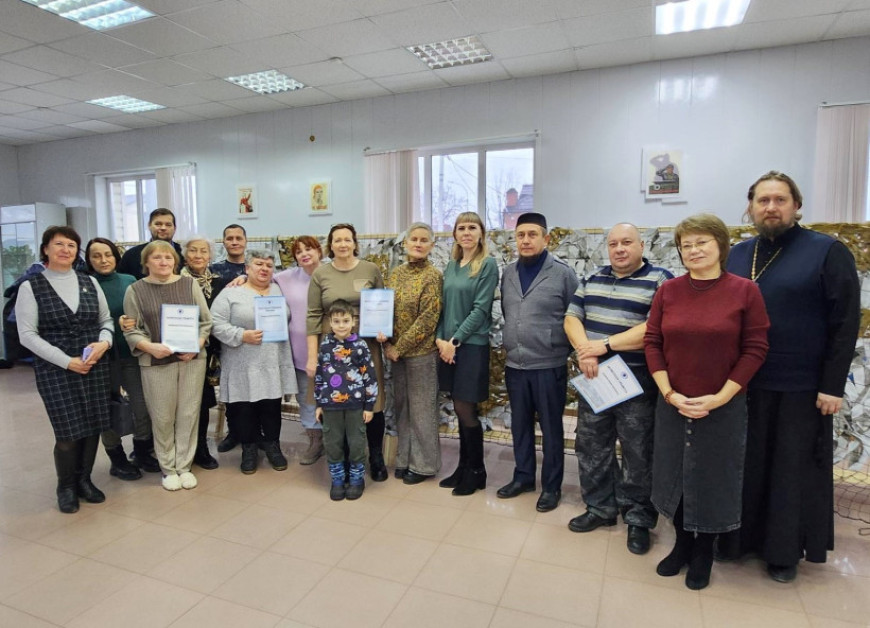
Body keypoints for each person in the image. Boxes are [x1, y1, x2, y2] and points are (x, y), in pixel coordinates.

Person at [721, 172, 861, 583]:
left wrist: (832, 385)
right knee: (746, 465)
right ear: (750, 207)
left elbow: (844, 323)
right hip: (742, 382)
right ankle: (738, 540)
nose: (771, 208)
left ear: (796, 205)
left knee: (788, 471)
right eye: (762, 200)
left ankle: (782, 553)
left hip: (800, 384)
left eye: (780, 200)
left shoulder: (826, 251)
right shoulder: (737, 254)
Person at [644, 213, 770, 590]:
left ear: (720, 246)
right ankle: (682, 544)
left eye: (702, 242)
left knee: (714, 477)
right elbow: (653, 342)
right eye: (686, 245)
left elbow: (755, 348)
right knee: (676, 474)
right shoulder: (668, 291)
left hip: (723, 406)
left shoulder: (745, 291)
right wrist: (669, 393)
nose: (694, 250)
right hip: (673, 403)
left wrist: (719, 398)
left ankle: (704, 552)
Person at [564, 223, 672, 554]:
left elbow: (654, 328)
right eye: (613, 244)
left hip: (637, 382)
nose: (620, 249)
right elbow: (572, 318)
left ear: (641, 246)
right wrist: (585, 350)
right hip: (595, 377)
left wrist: (605, 345)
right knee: (591, 446)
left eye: (627, 242)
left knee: (638, 452)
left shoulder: (660, 280)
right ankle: (600, 508)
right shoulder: (592, 278)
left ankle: (638, 518)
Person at [16, 226, 113, 513]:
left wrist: (104, 343)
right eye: (59, 244)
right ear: (46, 249)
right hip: (56, 370)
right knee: (68, 432)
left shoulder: (89, 282)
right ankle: (66, 486)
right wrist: (66, 361)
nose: (65, 250)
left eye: (71, 245)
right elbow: (27, 335)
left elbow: (106, 320)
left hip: (94, 364)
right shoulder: (31, 287)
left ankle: (84, 480)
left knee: (93, 426)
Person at [497, 212, 578, 512]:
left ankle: (552, 487)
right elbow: (509, 313)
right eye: (520, 235)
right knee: (520, 426)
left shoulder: (562, 273)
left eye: (532, 234)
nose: (526, 240)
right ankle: (523, 477)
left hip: (549, 365)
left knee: (552, 429)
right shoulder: (508, 273)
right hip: (515, 365)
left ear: (546, 238)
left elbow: (575, 315)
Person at [123, 240, 212, 491]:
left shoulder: (189, 284)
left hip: (191, 360)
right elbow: (131, 329)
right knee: (162, 416)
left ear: (175, 261)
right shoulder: (135, 290)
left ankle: (184, 466)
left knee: (188, 414)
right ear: (146, 262)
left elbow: (205, 322)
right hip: (155, 361)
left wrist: (196, 344)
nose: (163, 262)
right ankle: (168, 468)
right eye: (157, 257)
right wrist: (150, 347)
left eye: (168, 257)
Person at [306, 223, 388, 481]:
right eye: (337, 240)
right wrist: (312, 356)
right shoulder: (321, 274)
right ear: (330, 245)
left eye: (347, 239)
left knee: (372, 401)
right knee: (334, 402)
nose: (342, 244)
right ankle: (340, 460)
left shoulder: (370, 270)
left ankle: (375, 457)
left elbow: (382, 305)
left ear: (355, 243)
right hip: (331, 350)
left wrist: (384, 332)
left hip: (366, 346)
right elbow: (313, 315)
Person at [211, 249, 296, 473]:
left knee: (271, 406)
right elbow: (215, 322)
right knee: (244, 407)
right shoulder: (231, 293)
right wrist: (241, 335)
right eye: (259, 264)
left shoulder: (278, 289)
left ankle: (273, 446)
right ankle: (248, 449)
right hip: (242, 362)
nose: (264, 269)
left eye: (269, 265)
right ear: (247, 268)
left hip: (273, 360)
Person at [86, 237, 159, 481]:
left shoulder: (129, 281)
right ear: (89, 260)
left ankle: (142, 451)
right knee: (107, 409)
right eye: (96, 256)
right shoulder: (85, 284)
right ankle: (116, 459)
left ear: (116, 257)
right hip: (100, 359)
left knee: (142, 406)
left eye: (107, 254)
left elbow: (143, 313)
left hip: (131, 354)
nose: (103, 260)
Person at [436, 212, 499, 496]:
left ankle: (476, 471)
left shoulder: (487, 265)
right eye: (461, 228)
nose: (467, 232)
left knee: (466, 408)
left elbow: (480, 309)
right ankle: (463, 468)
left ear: (481, 233)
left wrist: (455, 340)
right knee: (459, 407)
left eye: (473, 227)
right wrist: (441, 340)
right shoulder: (451, 266)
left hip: (470, 346)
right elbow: (443, 306)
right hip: (448, 347)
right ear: (455, 234)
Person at [378, 223, 443, 484]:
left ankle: (424, 465)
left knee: (422, 411)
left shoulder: (433, 276)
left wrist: (399, 347)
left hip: (421, 354)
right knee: (402, 408)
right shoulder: (396, 273)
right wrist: (386, 343)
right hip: (396, 354)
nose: (418, 243)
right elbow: (385, 310)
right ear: (405, 244)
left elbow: (428, 319)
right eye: (413, 239)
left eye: (423, 240)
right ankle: (404, 459)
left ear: (431, 246)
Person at [315, 300, 378, 500]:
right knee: (333, 443)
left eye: (345, 321)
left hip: (355, 406)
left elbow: (369, 377)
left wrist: (369, 406)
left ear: (353, 322)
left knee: (356, 442)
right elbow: (319, 375)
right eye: (336, 321)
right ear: (330, 323)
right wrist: (319, 403)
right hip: (330, 406)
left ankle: (357, 480)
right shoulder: (325, 346)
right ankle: (337, 480)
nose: (341, 325)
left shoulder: (360, 346)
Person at [273, 235, 324, 465]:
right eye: (299, 251)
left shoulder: (332, 273)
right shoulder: (287, 277)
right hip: (300, 350)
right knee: (306, 396)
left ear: (319, 251)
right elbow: (260, 277)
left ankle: (337, 439)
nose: (304, 254)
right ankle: (315, 441)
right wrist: (240, 278)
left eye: (308, 249)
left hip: (331, 348)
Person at [180, 236, 229, 470]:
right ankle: (180, 451)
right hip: (181, 351)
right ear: (184, 254)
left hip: (208, 353)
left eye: (203, 251)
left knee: (201, 403)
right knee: (181, 404)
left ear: (210, 256)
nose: (198, 255)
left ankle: (201, 449)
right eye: (193, 250)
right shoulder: (175, 280)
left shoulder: (220, 283)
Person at [118, 208, 182, 279]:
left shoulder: (184, 254)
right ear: (149, 226)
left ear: (175, 228)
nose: (163, 228)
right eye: (158, 224)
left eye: (168, 225)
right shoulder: (131, 255)